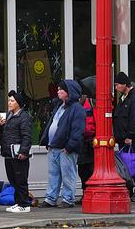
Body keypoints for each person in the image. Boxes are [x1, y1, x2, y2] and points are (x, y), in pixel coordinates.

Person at [38, 80, 85, 208]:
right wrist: (47, 141)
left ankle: (68, 199)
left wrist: (69, 146)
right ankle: (50, 198)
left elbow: (78, 130)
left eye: (61, 89)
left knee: (68, 174)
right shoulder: (59, 106)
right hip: (54, 146)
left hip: (65, 148)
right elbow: (52, 124)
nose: (58, 91)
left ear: (69, 92)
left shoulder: (77, 109)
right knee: (53, 174)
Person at [113, 71, 135, 201]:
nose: (116, 87)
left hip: (132, 139)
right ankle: (130, 190)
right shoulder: (124, 98)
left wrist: (130, 135)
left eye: (117, 84)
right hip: (123, 138)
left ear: (124, 84)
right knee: (127, 165)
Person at [0, 90, 33, 213]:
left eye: (12, 101)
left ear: (18, 103)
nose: (9, 103)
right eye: (9, 100)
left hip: (18, 153)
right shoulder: (9, 115)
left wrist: (24, 151)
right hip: (9, 153)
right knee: (13, 180)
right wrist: (1, 125)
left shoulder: (24, 117)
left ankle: (24, 204)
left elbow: (26, 136)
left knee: (21, 180)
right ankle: (18, 202)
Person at [77, 77, 96, 198]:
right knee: (82, 170)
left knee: (89, 169)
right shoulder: (80, 103)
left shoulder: (92, 103)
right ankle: (85, 193)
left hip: (90, 141)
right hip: (82, 140)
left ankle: (89, 193)